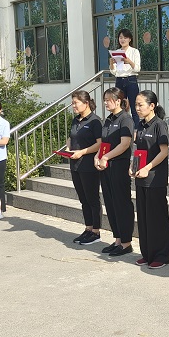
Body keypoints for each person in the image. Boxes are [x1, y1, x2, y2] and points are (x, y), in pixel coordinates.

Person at [131, 90, 169, 269]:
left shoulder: (159, 125)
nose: (137, 108)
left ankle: (161, 256)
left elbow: (164, 152)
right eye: (136, 105)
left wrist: (147, 168)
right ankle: (147, 254)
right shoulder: (140, 125)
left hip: (155, 179)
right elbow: (139, 151)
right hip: (140, 178)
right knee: (144, 217)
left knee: (157, 218)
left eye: (140, 104)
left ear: (152, 106)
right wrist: (133, 166)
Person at [96, 87, 136, 257]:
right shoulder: (108, 119)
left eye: (108, 100)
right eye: (104, 100)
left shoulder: (125, 119)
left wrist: (106, 157)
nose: (105, 103)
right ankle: (118, 240)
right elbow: (104, 143)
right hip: (106, 166)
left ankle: (126, 243)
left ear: (118, 101)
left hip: (119, 165)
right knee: (110, 203)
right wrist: (98, 157)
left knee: (121, 203)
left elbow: (124, 144)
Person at [66, 90, 103, 245]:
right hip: (75, 165)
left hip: (88, 165)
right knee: (83, 199)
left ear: (86, 103)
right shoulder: (76, 120)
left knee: (92, 198)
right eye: (72, 103)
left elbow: (100, 144)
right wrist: (68, 149)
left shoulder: (95, 121)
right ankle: (88, 228)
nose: (73, 106)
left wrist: (82, 152)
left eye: (76, 103)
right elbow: (71, 137)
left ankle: (96, 231)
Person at [108, 28, 141, 120]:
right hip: (119, 80)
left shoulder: (134, 51)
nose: (122, 40)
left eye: (125, 38)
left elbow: (137, 69)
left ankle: (136, 127)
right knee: (119, 107)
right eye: (120, 37)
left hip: (131, 80)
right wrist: (111, 63)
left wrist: (129, 61)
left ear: (130, 39)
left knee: (134, 107)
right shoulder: (117, 52)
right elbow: (114, 72)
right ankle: (121, 125)